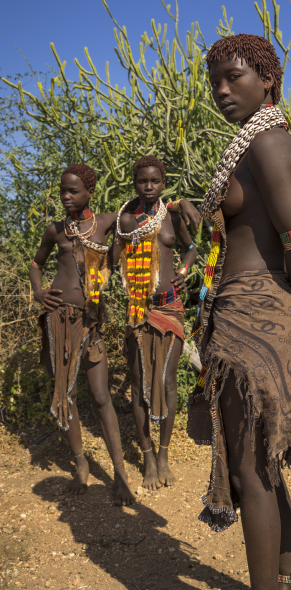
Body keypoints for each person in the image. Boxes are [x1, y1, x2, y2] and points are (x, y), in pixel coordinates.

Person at [187, 34, 291, 590]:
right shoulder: (258, 143)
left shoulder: (267, 143)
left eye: (235, 77)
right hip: (255, 310)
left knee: (250, 465)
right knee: (266, 454)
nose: (222, 91)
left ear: (266, 80)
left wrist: (284, 302)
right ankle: (288, 588)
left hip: (257, 315)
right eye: (215, 80)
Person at [29, 163, 135, 505]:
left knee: (101, 396)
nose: (65, 197)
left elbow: (133, 221)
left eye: (73, 191)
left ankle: (120, 475)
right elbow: (36, 264)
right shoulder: (55, 231)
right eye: (62, 190)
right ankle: (81, 466)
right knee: (67, 393)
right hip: (57, 320)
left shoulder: (105, 223)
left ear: (90, 192)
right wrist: (38, 292)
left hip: (89, 323)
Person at [113, 156, 198, 490]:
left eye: (155, 182)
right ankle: (147, 458)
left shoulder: (172, 218)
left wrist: (182, 272)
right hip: (138, 310)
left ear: (163, 182)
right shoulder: (126, 220)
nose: (148, 187)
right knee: (139, 383)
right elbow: (109, 257)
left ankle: (164, 455)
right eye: (142, 182)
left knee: (167, 380)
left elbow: (190, 249)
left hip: (170, 308)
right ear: (135, 183)